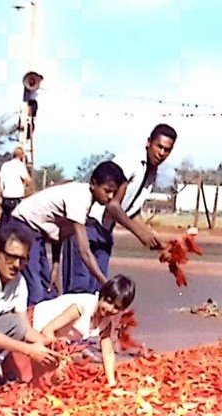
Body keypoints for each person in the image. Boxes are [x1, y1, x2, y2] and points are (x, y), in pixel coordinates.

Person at [62, 124, 176, 294]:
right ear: (148, 142)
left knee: (98, 292)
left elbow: (131, 211)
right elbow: (112, 205)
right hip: (88, 224)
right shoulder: (130, 162)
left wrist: (154, 240)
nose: (161, 153)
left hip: (105, 231)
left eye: (167, 150)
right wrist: (140, 234)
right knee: (78, 290)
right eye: (159, 146)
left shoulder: (152, 174)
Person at [9, 161, 127, 305]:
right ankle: (25, 325)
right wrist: (105, 283)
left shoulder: (86, 201)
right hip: (23, 227)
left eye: (113, 192)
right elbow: (85, 252)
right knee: (35, 291)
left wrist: (56, 266)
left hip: (37, 233)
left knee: (49, 291)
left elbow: (59, 233)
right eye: (107, 190)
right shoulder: (80, 199)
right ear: (93, 184)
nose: (110, 197)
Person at [0, 225, 59, 387]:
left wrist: (54, 348)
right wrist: (28, 350)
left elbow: (23, 329)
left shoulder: (20, 282)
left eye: (22, 259)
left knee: (15, 322)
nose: (16, 265)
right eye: (10, 257)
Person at [32, 274, 136, 387]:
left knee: (59, 377)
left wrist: (111, 383)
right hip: (34, 326)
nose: (110, 309)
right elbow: (48, 329)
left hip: (53, 337)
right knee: (36, 381)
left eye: (117, 307)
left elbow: (108, 352)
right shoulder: (80, 308)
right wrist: (57, 358)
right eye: (108, 301)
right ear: (102, 295)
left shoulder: (108, 321)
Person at [0, 146, 31, 223]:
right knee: (15, 221)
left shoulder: (5, 165)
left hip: (6, 197)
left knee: (5, 220)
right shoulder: (20, 166)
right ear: (21, 155)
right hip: (16, 197)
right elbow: (28, 180)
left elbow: (1, 183)